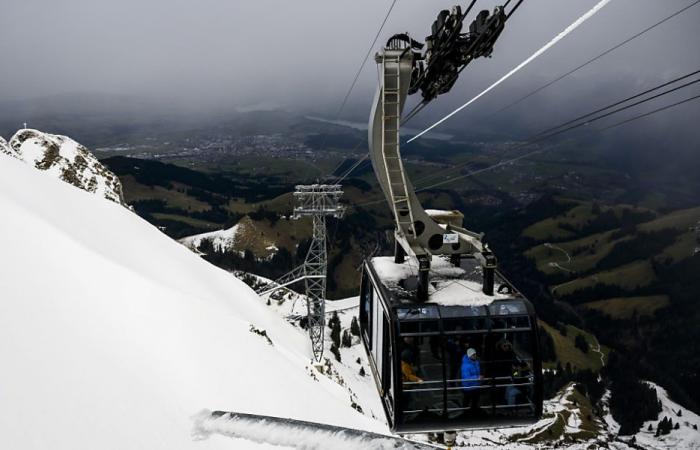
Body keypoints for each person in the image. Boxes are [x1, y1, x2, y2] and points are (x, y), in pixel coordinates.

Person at [461, 347, 481, 413]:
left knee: (475, 401)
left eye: (475, 354)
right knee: (467, 401)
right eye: (473, 355)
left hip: (476, 386)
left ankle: (473, 412)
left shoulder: (476, 362)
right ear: (469, 356)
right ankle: (465, 412)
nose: (475, 356)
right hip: (468, 387)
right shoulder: (465, 366)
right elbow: (467, 378)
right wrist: (477, 378)